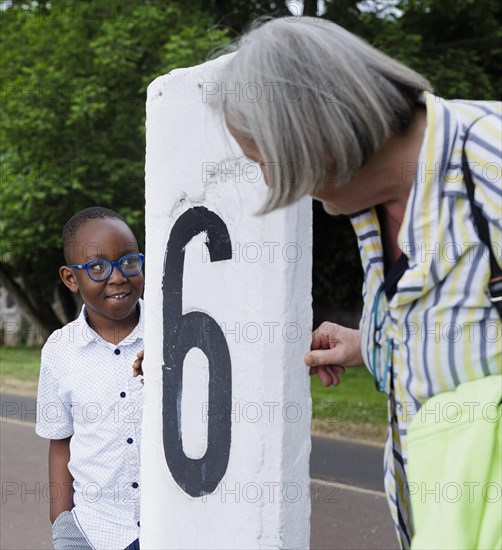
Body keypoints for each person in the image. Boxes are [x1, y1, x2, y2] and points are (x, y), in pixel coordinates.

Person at [218, 16, 502, 549]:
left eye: (263, 158)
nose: (265, 180)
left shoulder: (490, 161)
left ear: (315, 137)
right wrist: (375, 345)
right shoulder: (372, 203)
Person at [36, 206, 145, 550]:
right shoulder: (60, 349)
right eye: (97, 267)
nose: (117, 277)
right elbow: (60, 440)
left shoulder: (171, 334)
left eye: (129, 261)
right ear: (71, 278)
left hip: (174, 529)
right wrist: (62, 521)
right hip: (97, 533)